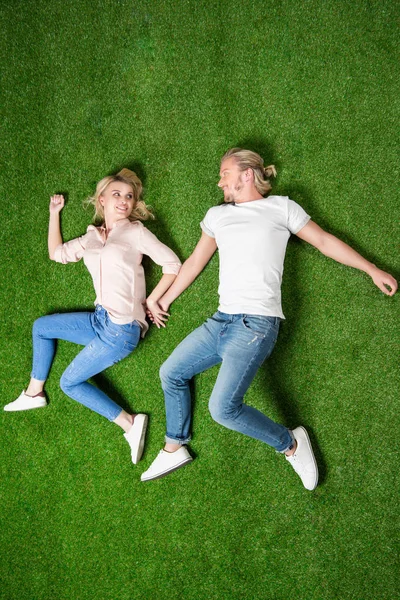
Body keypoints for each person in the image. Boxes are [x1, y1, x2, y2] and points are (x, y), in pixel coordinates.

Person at [141, 148, 397, 490]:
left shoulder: (282, 208)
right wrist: (164, 299)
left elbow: (323, 241)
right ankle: (175, 445)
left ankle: (291, 444)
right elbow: (194, 264)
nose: (220, 181)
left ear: (247, 174)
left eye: (225, 173)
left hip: (257, 325)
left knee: (222, 409)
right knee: (170, 372)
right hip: (221, 321)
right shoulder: (217, 216)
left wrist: (371, 268)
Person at [4, 168, 181, 465]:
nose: (124, 200)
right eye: (117, 194)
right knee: (42, 327)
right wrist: (54, 213)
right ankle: (34, 393)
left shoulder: (135, 232)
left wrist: (151, 300)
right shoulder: (93, 236)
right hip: (100, 320)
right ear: (102, 199)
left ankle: (129, 422)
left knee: (69, 383)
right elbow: (57, 253)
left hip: (122, 328)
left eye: (129, 196)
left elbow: (172, 264)